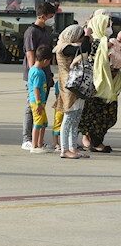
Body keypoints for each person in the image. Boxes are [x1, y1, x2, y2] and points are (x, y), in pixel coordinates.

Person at [78, 12, 120, 153]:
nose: (110, 28)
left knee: (107, 115)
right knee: (98, 114)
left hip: (108, 84)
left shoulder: (105, 41)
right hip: (97, 85)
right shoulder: (96, 42)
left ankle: (95, 141)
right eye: (108, 25)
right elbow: (92, 60)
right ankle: (95, 142)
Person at [20, 1, 57, 149]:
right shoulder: (31, 32)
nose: (51, 18)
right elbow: (30, 56)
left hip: (45, 75)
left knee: (41, 106)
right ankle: (27, 139)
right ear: (42, 16)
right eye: (50, 16)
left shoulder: (46, 31)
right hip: (34, 75)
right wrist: (33, 77)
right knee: (32, 106)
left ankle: (38, 141)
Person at [53, 24, 87, 159]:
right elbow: (83, 48)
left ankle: (73, 147)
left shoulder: (69, 46)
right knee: (68, 118)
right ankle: (64, 149)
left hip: (76, 85)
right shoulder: (64, 47)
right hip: (69, 87)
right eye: (80, 37)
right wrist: (88, 35)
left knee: (76, 117)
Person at [27, 44, 53, 154]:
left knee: (43, 123)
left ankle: (40, 143)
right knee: (38, 123)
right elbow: (36, 88)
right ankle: (34, 145)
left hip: (40, 102)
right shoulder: (38, 72)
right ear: (46, 60)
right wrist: (38, 103)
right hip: (37, 102)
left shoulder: (33, 69)